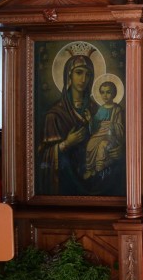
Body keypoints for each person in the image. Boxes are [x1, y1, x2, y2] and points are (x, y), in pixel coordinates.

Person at [37, 53, 99, 195]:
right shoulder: (54, 115)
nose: (84, 79)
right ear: (68, 76)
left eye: (88, 74)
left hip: (92, 171)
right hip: (67, 178)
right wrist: (66, 144)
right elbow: (42, 156)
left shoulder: (95, 109)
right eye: (79, 73)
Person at [85, 81, 125, 180]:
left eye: (108, 92)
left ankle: (99, 167)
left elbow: (120, 126)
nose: (105, 95)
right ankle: (90, 169)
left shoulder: (117, 109)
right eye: (102, 92)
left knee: (103, 145)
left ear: (114, 94)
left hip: (111, 134)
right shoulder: (101, 109)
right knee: (90, 144)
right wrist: (90, 119)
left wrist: (112, 125)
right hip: (100, 132)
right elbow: (95, 125)